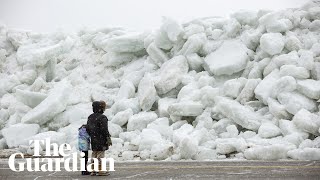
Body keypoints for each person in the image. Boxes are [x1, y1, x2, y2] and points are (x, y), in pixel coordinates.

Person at [86, 101, 111, 176]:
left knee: (94, 154)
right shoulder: (103, 117)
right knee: (100, 154)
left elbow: (88, 128)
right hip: (101, 139)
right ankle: (101, 170)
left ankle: (93, 170)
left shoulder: (90, 117)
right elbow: (104, 129)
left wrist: (92, 134)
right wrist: (107, 137)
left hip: (93, 138)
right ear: (100, 109)